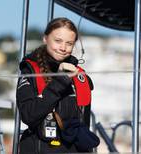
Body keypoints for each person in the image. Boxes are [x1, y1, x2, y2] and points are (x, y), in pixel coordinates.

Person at [16, 17, 99, 154]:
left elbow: (83, 123)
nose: (63, 48)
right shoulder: (29, 72)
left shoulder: (80, 76)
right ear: (45, 39)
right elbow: (28, 115)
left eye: (69, 43)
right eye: (58, 41)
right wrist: (60, 80)